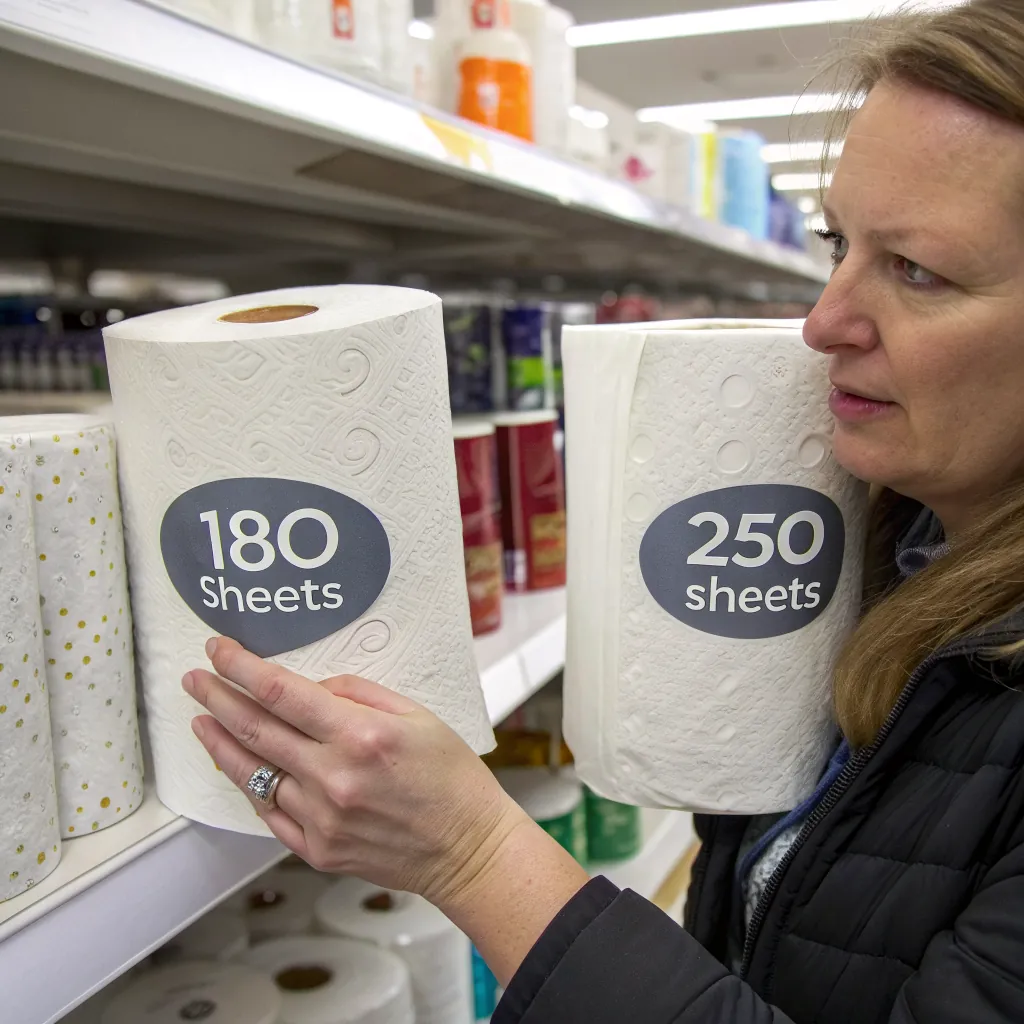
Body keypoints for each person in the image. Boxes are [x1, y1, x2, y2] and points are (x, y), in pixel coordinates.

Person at [180, 1, 1024, 1020]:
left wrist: (473, 850)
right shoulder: (882, 540)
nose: (820, 321)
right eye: (835, 240)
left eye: (916, 269)